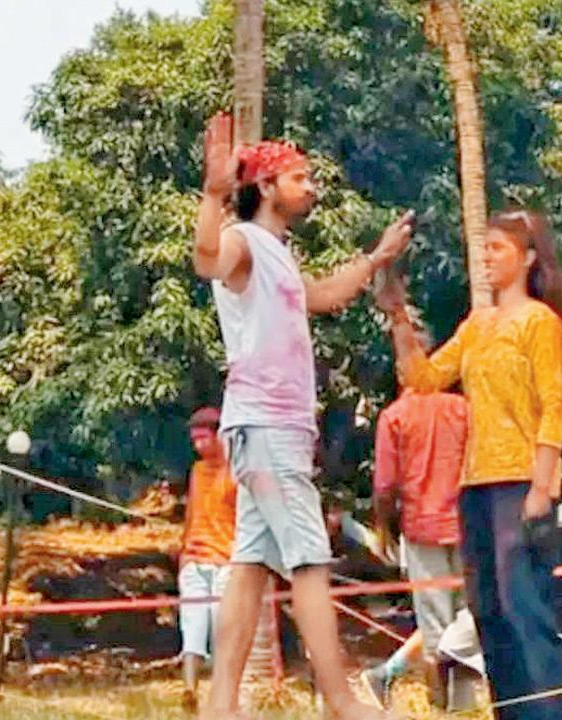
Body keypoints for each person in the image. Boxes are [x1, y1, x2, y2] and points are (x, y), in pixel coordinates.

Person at [192, 112, 413, 720]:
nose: (311, 187)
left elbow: (321, 297)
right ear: (265, 187)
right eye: (299, 177)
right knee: (310, 558)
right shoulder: (243, 241)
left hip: (274, 425)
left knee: (251, 562)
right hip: (265, 424)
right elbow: (208, 258)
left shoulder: (278, 254)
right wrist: (213, 195)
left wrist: (376, 259)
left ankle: (219, 708)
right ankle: (343, 703)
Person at [376, 210, 562, 720]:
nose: (488, 259)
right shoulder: (478, 323)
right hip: (476, 485)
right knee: (489, 612)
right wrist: (399, 318)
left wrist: (542, 480)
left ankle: (550, 712)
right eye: (484, 249)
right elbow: (425, 377)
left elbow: (553, 403)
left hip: (520, 478)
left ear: (528, 258)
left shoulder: (539, 321)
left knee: (525, 606)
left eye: (498, 249)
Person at [362, 378, 468, 708]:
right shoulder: (464, 410)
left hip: (422, 527)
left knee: (435, 625)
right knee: (467, 622)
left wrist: (385, 528)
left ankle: (442, 707)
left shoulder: (396, 416)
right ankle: (462, 706)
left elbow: (385, 485)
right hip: (468, 524)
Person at [178, 407, 238, 712]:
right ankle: (189, 689)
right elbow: (191, 514)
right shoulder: (197, 472)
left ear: (219, 436)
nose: (199, 446)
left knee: (221, 630)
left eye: (204, 438)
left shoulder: (236, 471)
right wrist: (184, 554)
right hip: (195, 560)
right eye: (194, 440)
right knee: (192, 627)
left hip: (226, 562)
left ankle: (221, 695)